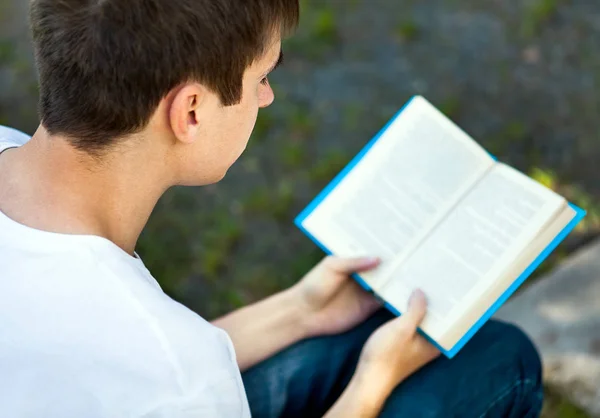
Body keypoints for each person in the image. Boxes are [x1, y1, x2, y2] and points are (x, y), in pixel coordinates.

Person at [0, 0, 544, 417]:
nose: (267, 98)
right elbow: (159, 374)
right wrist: (370, 385)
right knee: (502, 362)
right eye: (261, 78)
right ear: (190, 109)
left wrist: (299, 311)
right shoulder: (166, 363)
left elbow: (122, 377)